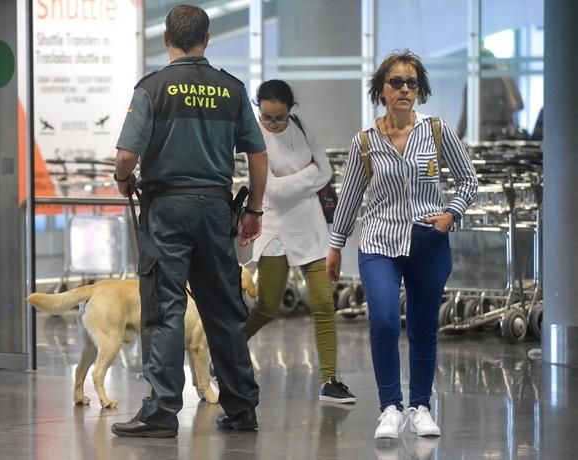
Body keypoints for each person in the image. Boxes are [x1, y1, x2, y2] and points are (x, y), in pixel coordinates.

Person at [110, 4, 268, 438]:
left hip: (167, 211)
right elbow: (258, 153)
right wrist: (253, 209)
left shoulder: (152, 88)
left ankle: (161, 412)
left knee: (164, 310)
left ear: (166, 39)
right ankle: (241, 408)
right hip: (216, 211)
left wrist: (123, 180)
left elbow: (126, 156)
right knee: (224, 310)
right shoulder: (231, 89)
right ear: (207, 39)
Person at [326, 50, 477, 439]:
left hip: (429, 241)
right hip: (379, 241)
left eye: (411, 83)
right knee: (385, 320)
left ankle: (421, 406)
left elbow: (468, 181)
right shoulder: (365, 142)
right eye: (396, 82)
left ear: (420, 90)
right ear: (382, 90)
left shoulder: (437, 131)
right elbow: (350, 197)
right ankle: (390, 408)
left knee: (424, 327)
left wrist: (451, 214)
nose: (405, 89)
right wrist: (335, 244)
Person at [244, 79, 356, 404]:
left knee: (324, 303)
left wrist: (295, 179)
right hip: (274, 231)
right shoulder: (253, 135)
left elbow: (327, 171)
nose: (274, 124)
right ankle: (225, 354)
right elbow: (273, 193)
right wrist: (308, 174)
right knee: (267, 306)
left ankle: (330, 380)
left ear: (291, 110)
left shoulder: (302, 125)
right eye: (267, 117)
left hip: (311, 228)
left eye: (279, 117)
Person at [457, 49, 524, 141]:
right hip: (498, 136)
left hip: (492, 136)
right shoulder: (504, 79)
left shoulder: (474, 84)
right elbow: (518, 105)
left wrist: (455, 140)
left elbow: (465, 117)